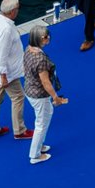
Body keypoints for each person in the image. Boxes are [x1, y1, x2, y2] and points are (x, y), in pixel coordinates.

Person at [0, 0, 28, 140]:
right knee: (18, 97)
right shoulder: (6, 30)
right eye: (17, 9)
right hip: (7, 72)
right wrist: (3, 76)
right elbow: (2, 54)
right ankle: (19, 130)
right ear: (12, 11)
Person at [24, 23, 66, 164]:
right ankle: (35, 155)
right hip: (39, 95)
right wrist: (55, 97)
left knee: (46, 115)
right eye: (47, 36)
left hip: (30, 90)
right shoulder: (41, 59)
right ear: (41, 38)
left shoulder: (28, 49)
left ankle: (39, 145)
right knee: (41, 124)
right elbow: (46, 82)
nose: (49, 38)